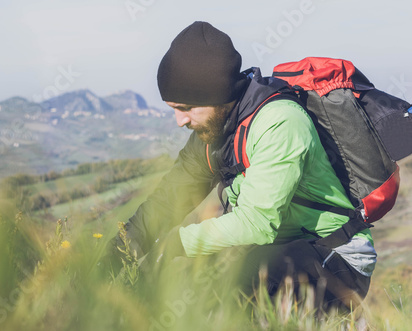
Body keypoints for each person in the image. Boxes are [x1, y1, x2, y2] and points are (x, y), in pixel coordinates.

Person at [102, 21, 376, 309]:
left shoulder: (281, 122)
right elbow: (165, 203)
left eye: (185, 108)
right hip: (279, 250)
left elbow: (257, 224)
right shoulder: (212, 133)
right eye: (173, 109)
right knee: (191, 292)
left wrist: (176, 243)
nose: (180, 121)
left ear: (216, 95)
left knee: (235, 290)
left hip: (337, 255)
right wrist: (105, 265)